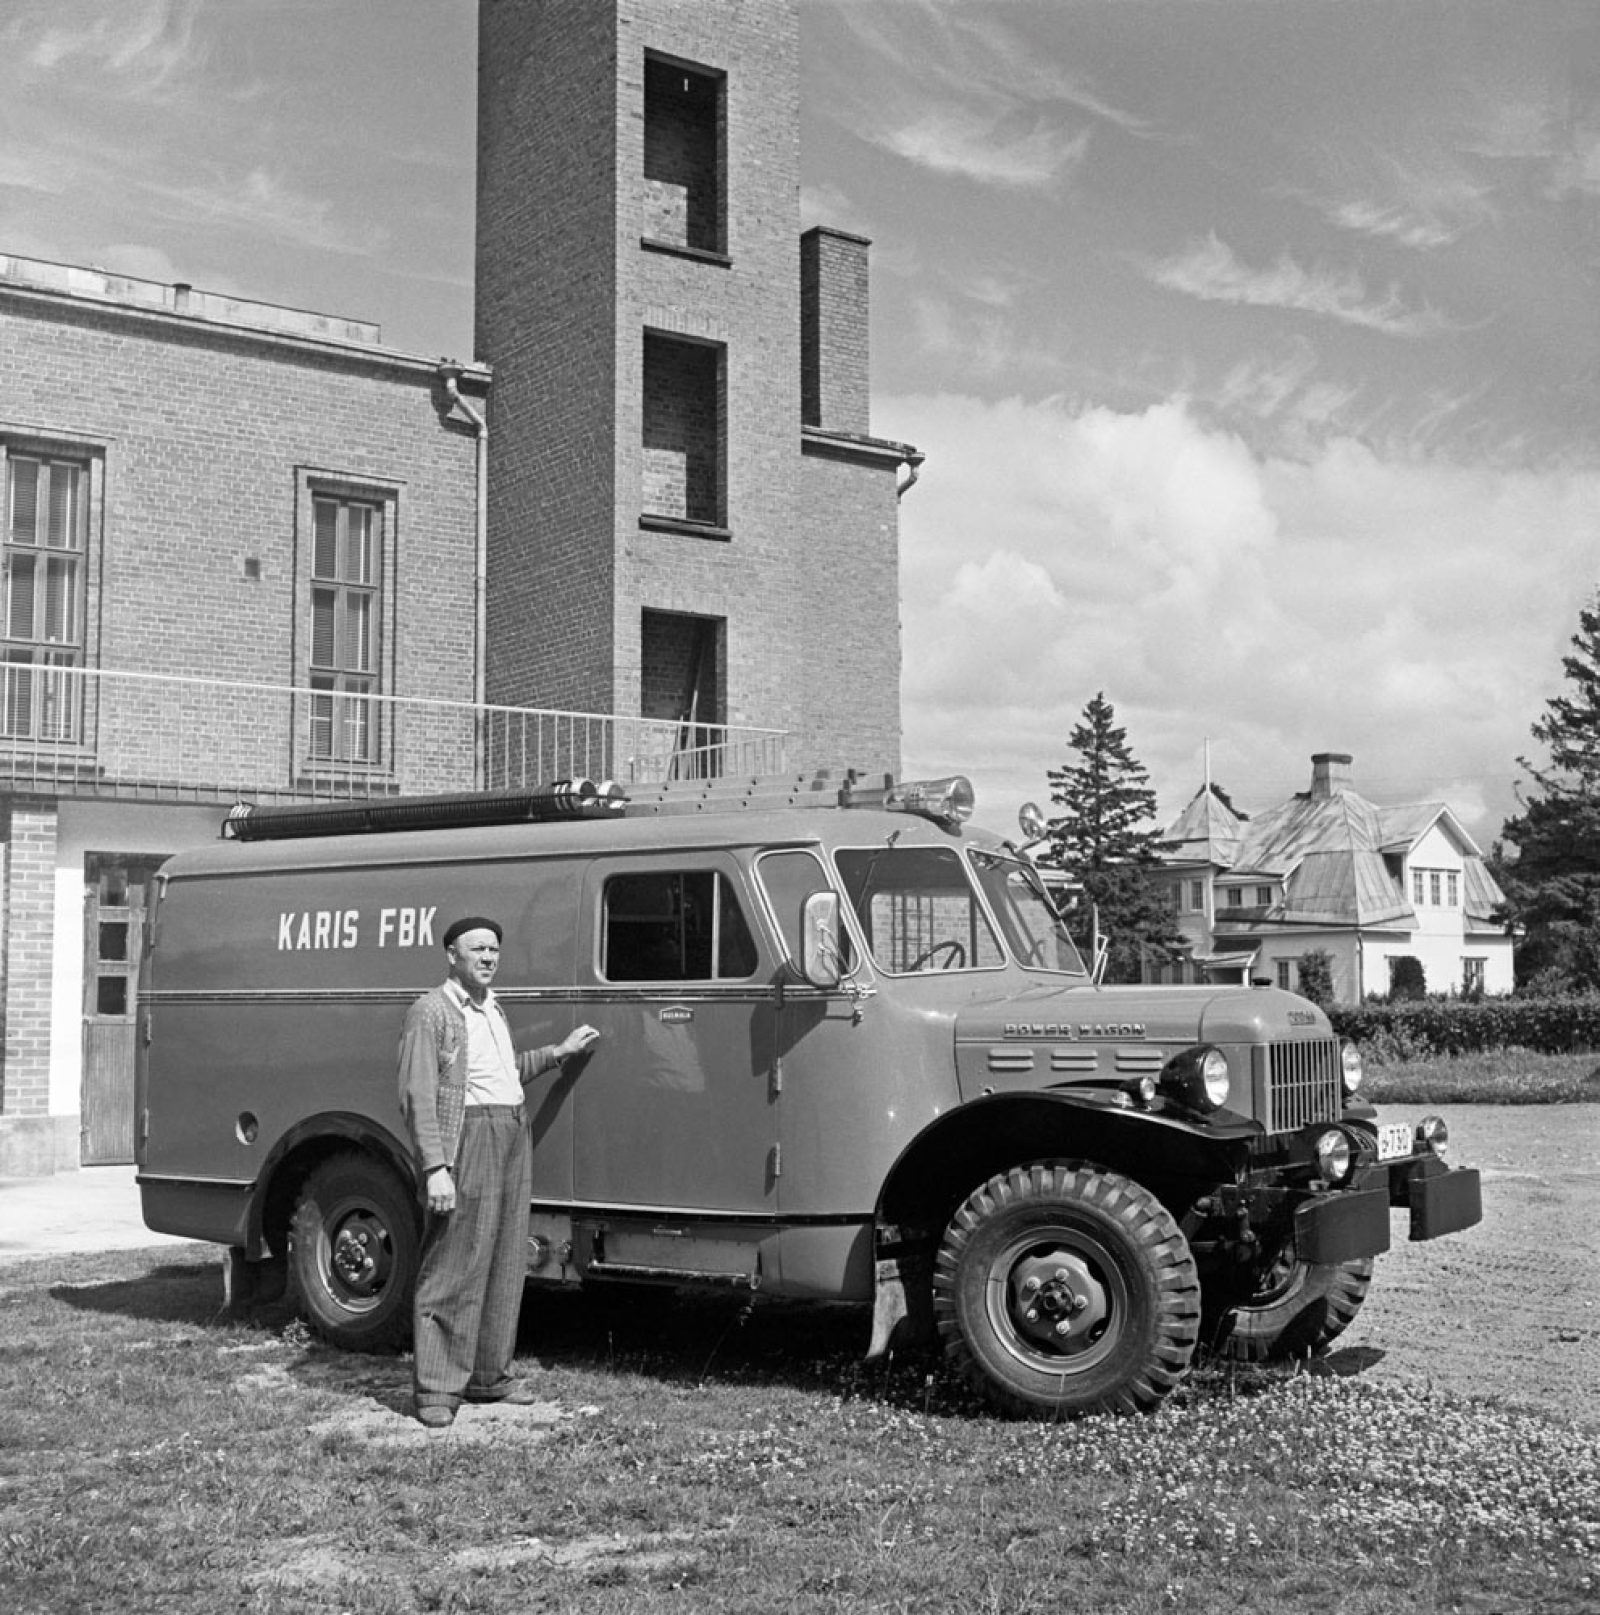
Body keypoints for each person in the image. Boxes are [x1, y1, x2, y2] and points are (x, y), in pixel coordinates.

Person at [397, 914, 599, 1429]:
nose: (487, 958)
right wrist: (436, 1167)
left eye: (493, 950)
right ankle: (437, 1388)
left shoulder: (491, 1008)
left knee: (506, 1257)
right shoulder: (432, 1011)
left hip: (511, 1132)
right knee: (455, 1260)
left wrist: (558, 1054)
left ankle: (489, 1375)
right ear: (451, 954)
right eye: (476, 949)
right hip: (468, 1138)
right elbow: (418, 1093)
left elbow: (503, 1071)